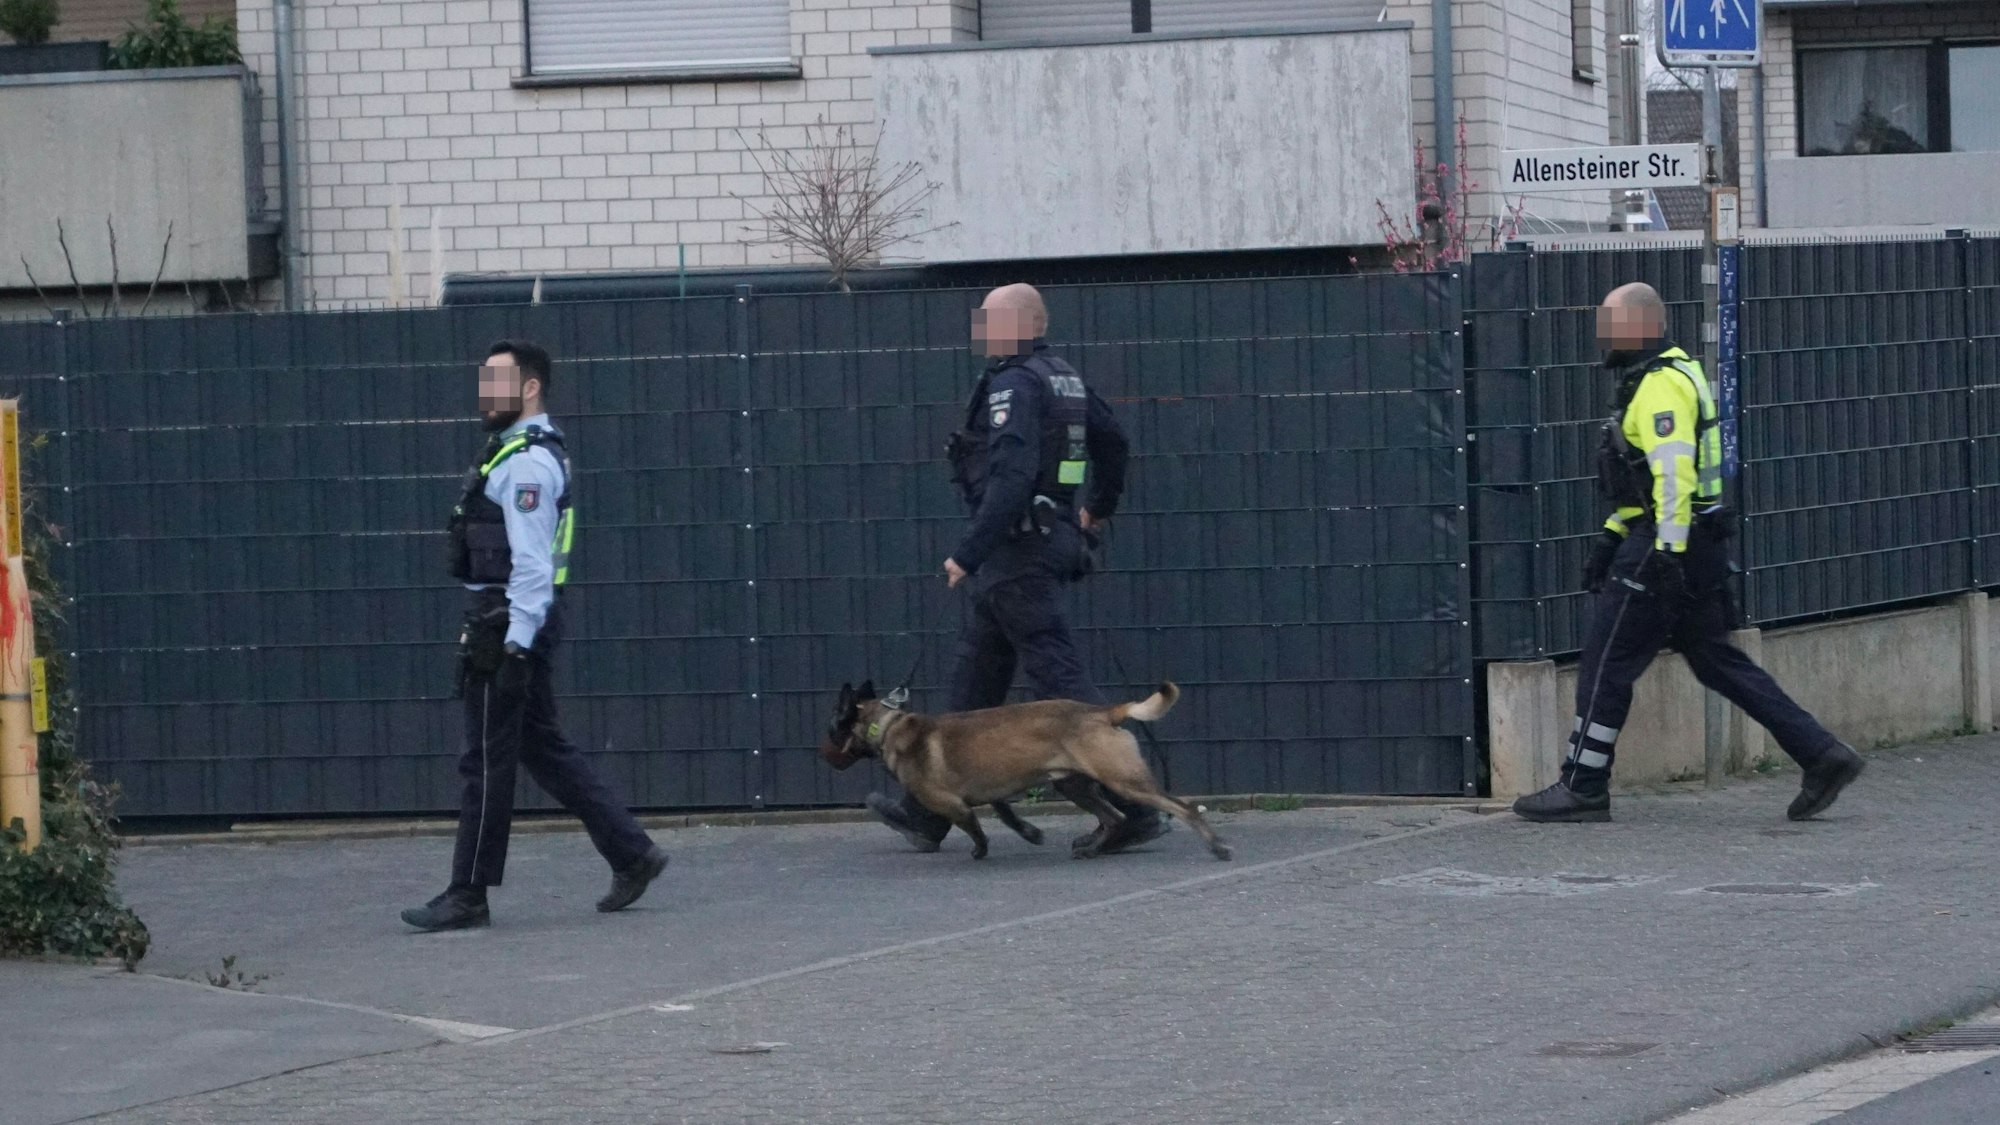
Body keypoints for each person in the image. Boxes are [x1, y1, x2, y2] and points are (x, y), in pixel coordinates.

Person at [1512, 284, 1865, 824]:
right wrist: (1612, 535)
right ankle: (1821, 754)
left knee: (1606, 662)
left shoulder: (1658, 387)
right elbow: (1644, 485)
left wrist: (1664, 552)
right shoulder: (1673, 375)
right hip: (1693, 542)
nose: (1603, 338)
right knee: (1717, 661)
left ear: (1639, 328)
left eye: (1611, 325)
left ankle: (1583, 785)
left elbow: (1673, 475)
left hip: (1666, 547)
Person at [865, 284, 1168, 855]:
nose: (980, 330)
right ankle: (925, 812)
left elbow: (1010, 475)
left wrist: (968, 552)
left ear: (1020, 323)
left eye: (989, 319)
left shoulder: (1015, 384)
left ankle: (1133, 807)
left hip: (1015, 551)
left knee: (1060, 679)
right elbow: (1116, 443)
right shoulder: (1064, 377)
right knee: (975, 674)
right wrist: (1097, 508)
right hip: (1043, 543)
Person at [401, 341, 668, 931]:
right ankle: (632, 853)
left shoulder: (525, 462)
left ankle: (468, 893)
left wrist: (514, 641)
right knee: (541, 749)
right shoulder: (518, 451)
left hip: (508, 623)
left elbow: (532, 564)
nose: (483, 393)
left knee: (485, 761)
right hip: (515, 620)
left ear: (529, 389)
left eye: (496, 381)